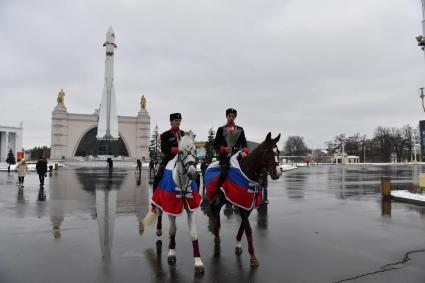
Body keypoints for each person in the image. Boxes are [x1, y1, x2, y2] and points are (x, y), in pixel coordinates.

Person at [214, 108, 249, 194]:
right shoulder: (221, 129)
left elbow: (244, 143)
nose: (231, 118)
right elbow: (215, 145)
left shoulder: (240, 129)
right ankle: (218, 193)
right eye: (229, 116)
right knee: (223, 174)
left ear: (235, 117)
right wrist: (224, 149)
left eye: (233, 116)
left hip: (237, 155)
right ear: (226, 116)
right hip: (225, 156)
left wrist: (245, 151)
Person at [152, 113, 185, 190]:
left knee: (195, 177)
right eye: (176, 120)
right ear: (171, 122)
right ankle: (155, 197)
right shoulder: (165, 135)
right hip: (169, 160)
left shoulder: (183, 134)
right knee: (158, 176)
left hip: (182, 160)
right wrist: (177, 150)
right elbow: (164, 149)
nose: (178, 122)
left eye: (179, 120)